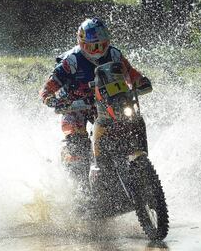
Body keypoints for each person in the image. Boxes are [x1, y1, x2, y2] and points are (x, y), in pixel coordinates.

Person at [39, 17, 152, 187]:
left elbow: (130, 73)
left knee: (126, 125)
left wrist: (140, 81)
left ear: (108, 42)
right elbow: (50, 84)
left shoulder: (114, 54)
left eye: (101, 44)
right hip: (75, 106)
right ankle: (82, 191)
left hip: (107, 102)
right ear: (82, 43)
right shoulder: (72, 60)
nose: (98, 50)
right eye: (92, 46)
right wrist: (49, 97)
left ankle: (130, 167)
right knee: (78, 148)